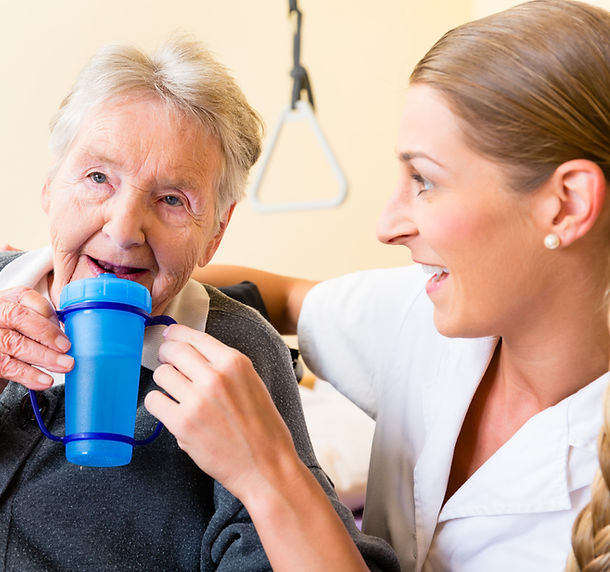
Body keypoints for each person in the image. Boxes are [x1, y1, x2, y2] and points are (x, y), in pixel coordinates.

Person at [0, 38, 398, 570]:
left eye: (173, 199)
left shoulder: (234, 350)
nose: (123, 229)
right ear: (50, 192)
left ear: (216, 233)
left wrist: (259, 469)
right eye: (97, 178)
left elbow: (287, 547)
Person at [164, 1, 610, 570]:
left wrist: (269, 473)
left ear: (567, 204)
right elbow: (277, 297)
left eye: (424, 180)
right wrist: (110, 282)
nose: (387, 226)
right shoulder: (423, 314)